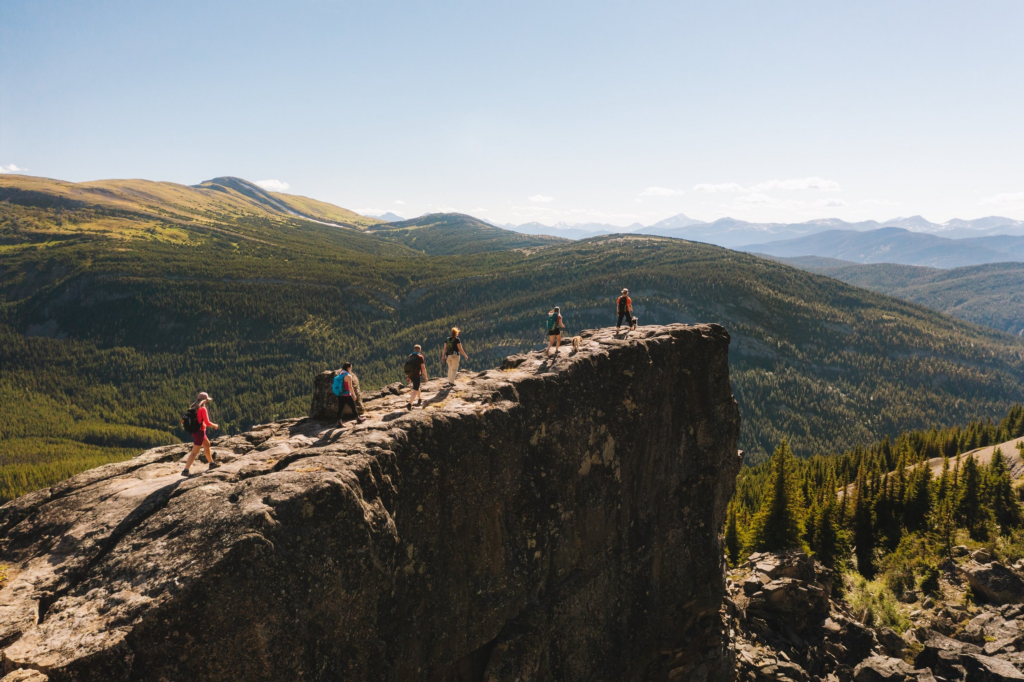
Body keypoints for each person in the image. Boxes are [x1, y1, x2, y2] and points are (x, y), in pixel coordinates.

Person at [182, 392, 219, 476]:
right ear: (205, 400)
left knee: (207, 445)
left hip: (196, 431)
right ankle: (185, 470)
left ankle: (211, 463)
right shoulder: (202, 408)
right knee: (194, 452)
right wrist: (215, 425)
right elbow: (207, 422)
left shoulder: (194, 406)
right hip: (200, 432)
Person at [404, 344, 428, 408]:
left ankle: (420, 399)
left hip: (411, 375)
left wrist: (408, 376)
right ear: (420, 350)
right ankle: (410, 404)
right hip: (417, 375)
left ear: (414, 349)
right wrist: (425, 377)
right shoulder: (420, 357)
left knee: (417, 387)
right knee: (415, 389)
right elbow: (423, 368)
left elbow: (409, 367)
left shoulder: (410, 356)